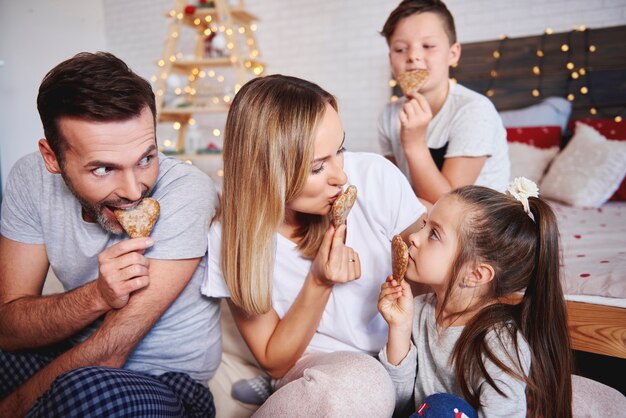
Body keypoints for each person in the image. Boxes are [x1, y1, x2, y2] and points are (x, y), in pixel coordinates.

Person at [0, 52, 220, 417]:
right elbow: (9, 326)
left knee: (85, 391)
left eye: (146, 158)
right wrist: (98, 296)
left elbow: (110, 350)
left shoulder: (186, 191)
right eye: (104, 168)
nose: (135, 191)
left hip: (169, 381)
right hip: (67, 353)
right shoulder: (29, 179)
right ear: (52, 157)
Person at [201, 74, 426, 416]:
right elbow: (275, 362)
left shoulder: (376, 178)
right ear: (267, 171)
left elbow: (435, 265)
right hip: (316, 368)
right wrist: (319, 281)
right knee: (364, 381)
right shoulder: (231, 237)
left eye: (340, 150)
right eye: (319, 167)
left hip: (396, 356)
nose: (342, 176)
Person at [377, 178, 572, 417]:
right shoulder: (418, 310)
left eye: (434, 234)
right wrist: (399, 328)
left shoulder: (500, 343)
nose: (414, 238)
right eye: (424, 225)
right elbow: (398, 404)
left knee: (442, 407)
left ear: (475, 274)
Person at [378, 0, 510, 206]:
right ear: (390, 60)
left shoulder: (474, 111)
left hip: (478, 222)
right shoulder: (389, 114)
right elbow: (394, 186)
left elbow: (449, 205)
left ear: (453, 54)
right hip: (422, 216)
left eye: (428, 46)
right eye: (400, 49)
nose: (413, 56)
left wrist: (414, 143)